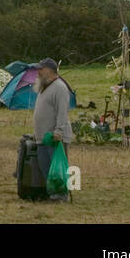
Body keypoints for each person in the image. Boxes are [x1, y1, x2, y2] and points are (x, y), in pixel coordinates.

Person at [33, 58, 74, 201]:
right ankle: (52, 194)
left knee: (58, 169)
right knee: (46, 168)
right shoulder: (44, 87)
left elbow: (62, 112)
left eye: (41, 69)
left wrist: (59, 131)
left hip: (55, 137)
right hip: (43, 137)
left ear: (49, 71)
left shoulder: (60, 87)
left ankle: (62, 195)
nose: (38, 72)